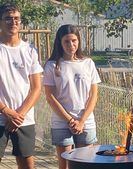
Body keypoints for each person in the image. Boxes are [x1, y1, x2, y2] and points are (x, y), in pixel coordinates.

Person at [43, 24, 101, 169]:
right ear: (60, 43)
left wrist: (81, 120)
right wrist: (70, 120)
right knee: (66, 165)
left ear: (79, 41)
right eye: (66, 41)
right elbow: (50, 97)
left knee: (85, 164)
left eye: (74, 40)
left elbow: (93, 94)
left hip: (85, 121)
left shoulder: (87, 63)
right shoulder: (52, 66)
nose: (71, 45)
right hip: (61, 122)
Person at [0, 3, 43, 169]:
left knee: (27, 165)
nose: (13, 22)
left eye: (16, 18)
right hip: (2, 116)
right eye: (8, 19)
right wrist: (7, 111)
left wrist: (18, 115)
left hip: (23, 119)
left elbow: (36, 88)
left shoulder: (30, 50)